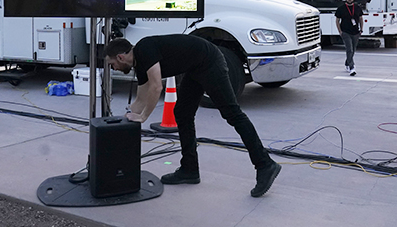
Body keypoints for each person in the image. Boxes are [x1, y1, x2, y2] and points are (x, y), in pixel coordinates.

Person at [104, 34, 281, 198]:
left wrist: (143, 118)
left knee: (232, 113)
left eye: (113, 65)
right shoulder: (139, 64)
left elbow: (156, 87)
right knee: (182, 113)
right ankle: (189, 169)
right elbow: (140, 100)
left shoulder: (144, 49)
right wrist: (122, 120)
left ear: (120, 57)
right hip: (195, 66)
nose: (114, 69)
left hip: (210, 61)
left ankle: (265, 164)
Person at [335, 0, 364, 76]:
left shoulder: (357, 8)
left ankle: (347, 63)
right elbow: (337, 20)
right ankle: (352, 67)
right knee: (349, 49)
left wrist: (361, 30)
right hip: (345, 32)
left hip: (355, 32)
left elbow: (361, 18)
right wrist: (340, 31)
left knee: (353, 50)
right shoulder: (341, 8)